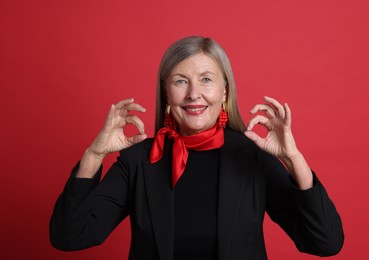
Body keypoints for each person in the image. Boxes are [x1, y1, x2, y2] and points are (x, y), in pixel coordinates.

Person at [50, 36, 344, 260]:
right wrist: (94, 155)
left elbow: (325, 242)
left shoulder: (253, 157)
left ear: (224, 90)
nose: (194, 94)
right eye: (181, 81)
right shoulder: (139, 160)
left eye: (206, 79)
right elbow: (69, 237)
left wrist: (294, 160)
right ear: (166, 91)